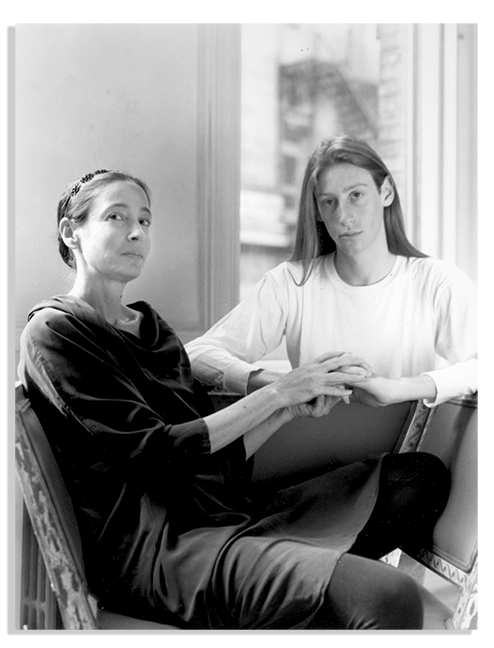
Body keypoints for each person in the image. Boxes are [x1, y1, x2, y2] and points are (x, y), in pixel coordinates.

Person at [18, 169, 450, 631]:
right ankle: (308, 581)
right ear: (71, 232)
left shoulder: (151, 327)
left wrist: (286, 410)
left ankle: (298, 581)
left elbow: (209, 460)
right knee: (388, 597)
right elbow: (156, 454)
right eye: (116, 217)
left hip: (222, 510)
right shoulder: (55, 331)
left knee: (417, 478)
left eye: (144, 220)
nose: (137, 232)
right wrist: (277, 392)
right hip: (161, 550)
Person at [185, 135, 477, 408]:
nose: (344, 217)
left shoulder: (436, 281)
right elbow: (197, 354)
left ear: (386, 192)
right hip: (309, 441)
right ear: (317, 211)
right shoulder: (291, 283)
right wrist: (282, 385)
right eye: (329, 202)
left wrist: (396, 388)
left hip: (405, 444)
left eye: (356, 195)